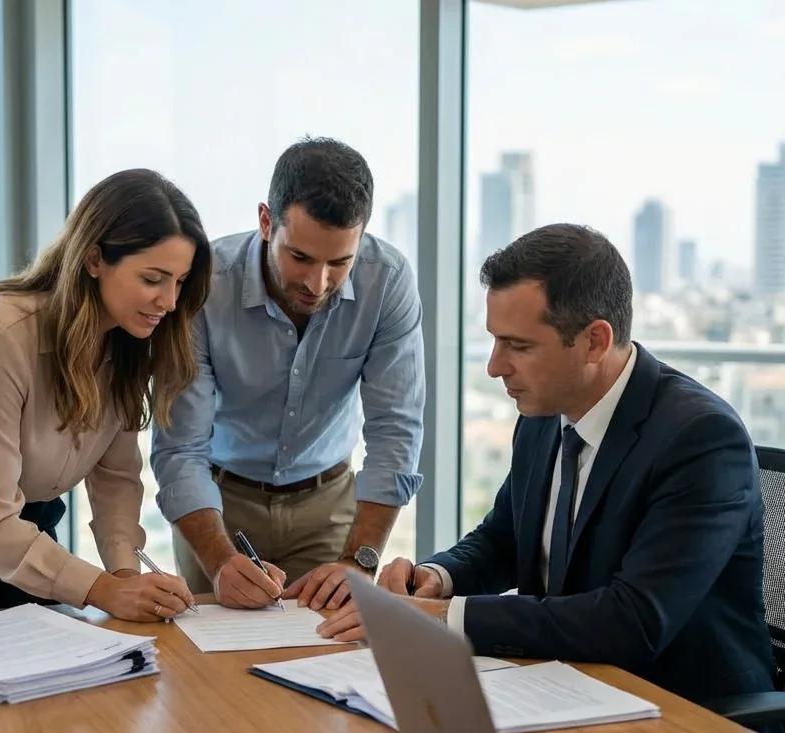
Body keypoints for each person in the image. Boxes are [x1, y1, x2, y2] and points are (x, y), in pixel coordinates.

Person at [318, 222, 778, 708]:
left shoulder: (701, 440)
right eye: (496, 341)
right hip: (568, 689)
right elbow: (503, 539)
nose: (495, 366)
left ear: (595, 341)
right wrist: (436, 578)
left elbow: (632, 621)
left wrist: (437, 617)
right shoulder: (544, 416)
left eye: (518, 346)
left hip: (688, 717)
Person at [0, 168, 210, 622]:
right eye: (153, 279)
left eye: (180, 282)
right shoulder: (0, 332)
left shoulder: (132, 339)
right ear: (92, 260)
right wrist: (102, 590)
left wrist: (125, 575)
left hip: (24, 527)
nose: (168, 301)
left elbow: (116, 478)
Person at [150, 137, 425, 612]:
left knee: (323, 663)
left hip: (328, 506)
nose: (317, 283)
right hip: (218, 504)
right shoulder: (203, 286)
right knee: (211, 675)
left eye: (340, 262)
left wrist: (361, 560)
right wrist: (218, 561)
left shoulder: (389, 280)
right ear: (265, 221)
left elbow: (395, 430)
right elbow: (180, 447)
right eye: (300, 257)